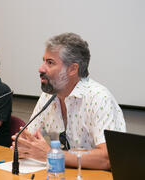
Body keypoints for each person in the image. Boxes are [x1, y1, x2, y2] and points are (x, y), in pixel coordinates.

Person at [12, 33, 126, 170]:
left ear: (73, 69)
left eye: (50, 62)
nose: (41, 69)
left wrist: (51, 154)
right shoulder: (48, 96)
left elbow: (107, 158)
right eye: (43, 61)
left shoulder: (99, 97)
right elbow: (25, 142)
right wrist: (26, 147)